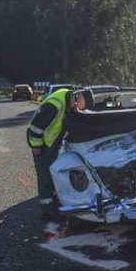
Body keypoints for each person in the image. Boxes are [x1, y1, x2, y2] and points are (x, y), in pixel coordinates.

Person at [27, 88, 92, 221]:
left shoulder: (68, 100)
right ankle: (48, 211)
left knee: (53, 174)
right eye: (83, 107)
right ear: (80, 98)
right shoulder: (55, 104)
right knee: (45, 176)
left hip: (51, 144)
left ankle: (56, 203)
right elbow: (35, 127)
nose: (81, 110)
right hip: (41, 144)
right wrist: (36, 146)